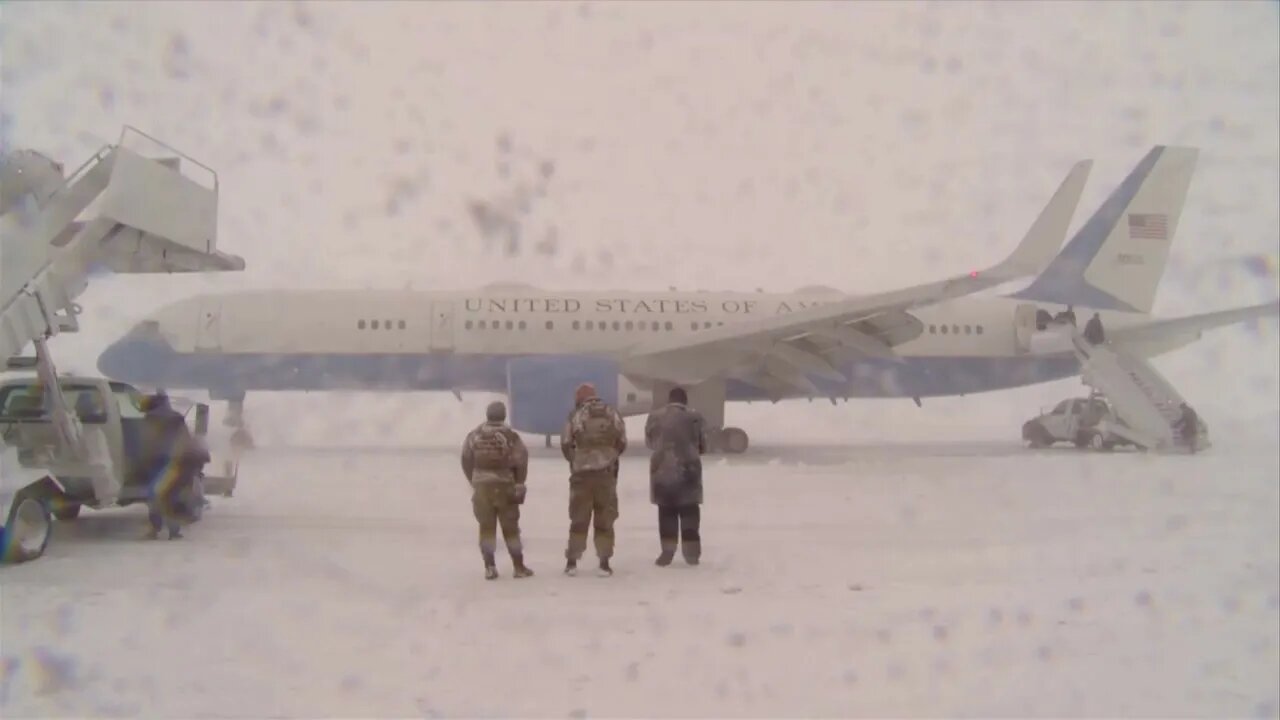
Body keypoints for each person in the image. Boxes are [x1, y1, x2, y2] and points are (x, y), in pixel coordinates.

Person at [560, 382, 627, 577]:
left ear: (579, 398)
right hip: (606, 474)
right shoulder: (611, 413)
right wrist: (610, 456)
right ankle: (604, 563)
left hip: (582, 475)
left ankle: (572, 562)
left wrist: (576, 460)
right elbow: (622, 441)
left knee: (579, 519)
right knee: (605, 518)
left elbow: (566, 442)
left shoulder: (576, 415)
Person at [461, 401, 532, 580]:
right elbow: (521, 461)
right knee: (511, 529)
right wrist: (519, 483)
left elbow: (466, 459)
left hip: (482, 487)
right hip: (504, 486)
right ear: (503, 415)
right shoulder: (510, 436)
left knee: (486, 529)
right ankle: (518, 566)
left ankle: (490, 567)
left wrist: (474, 480)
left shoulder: (474, 435)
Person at [644, 387, 707, 566]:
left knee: (666, 512)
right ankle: (691, 554)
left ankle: (667, 552)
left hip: (662, 472)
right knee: (689, 512)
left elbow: (650, 442)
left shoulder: (654, 417)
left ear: (669, 400)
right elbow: (704, 444)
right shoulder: (695, 417)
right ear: (685, 401)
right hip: (689, 471)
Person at [139, 391, 208, 540]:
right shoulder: (176, 417)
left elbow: (146, 442)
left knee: (155, 495)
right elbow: (185, 439)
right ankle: (173, 530)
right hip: (175, 462)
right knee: (172, 496)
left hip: (156, 461)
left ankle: (155, 528)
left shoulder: (150, 418)